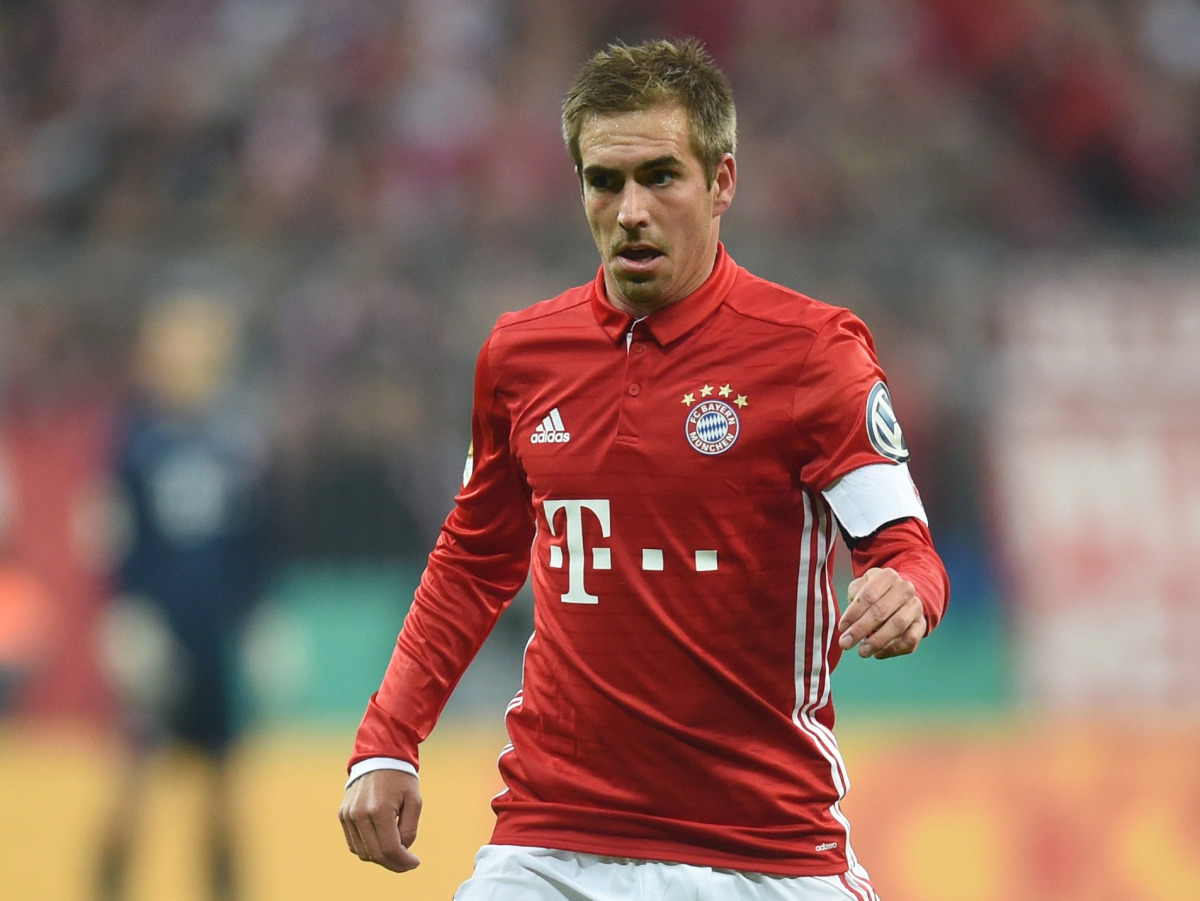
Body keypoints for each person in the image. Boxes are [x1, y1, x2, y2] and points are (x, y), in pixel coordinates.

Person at [340, 37, 949, 901]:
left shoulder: (812, 354)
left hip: (761, 851)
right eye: (604, 180)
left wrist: (906, 589)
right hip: (550, 846)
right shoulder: (520, 355)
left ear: (722, 182)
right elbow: (473, 562)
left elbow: (908, 550)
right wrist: (387, 738)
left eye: (661, 176)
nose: (630, 209)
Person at [95, 292, 271, 901]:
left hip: (215, 637)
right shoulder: (135, 443)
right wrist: (126, 616)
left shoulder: (236, 442)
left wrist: (259, 619)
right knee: (131, 785)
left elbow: (256, 539)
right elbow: (117, 540)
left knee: (223, 793)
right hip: (160, 635)